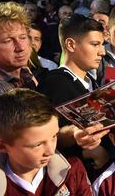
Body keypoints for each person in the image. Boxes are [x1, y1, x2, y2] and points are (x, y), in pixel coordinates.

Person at [37, 14, 110, 177]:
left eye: (102, 44)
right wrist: (83, 149)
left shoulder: (91, 81)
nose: (102, 52)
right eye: (95, 44)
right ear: (70, 44)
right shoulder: (55, 83)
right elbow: (47, 136)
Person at [0, 88, 92, 196]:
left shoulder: (73, 171)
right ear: (2, 146)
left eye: (54, 136)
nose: (50, 151)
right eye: (38, 145)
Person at [0, 2, 36, 112]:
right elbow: (13, 127)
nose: (20, 47)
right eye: (8, 41)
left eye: (23, 37)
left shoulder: (25, 74)